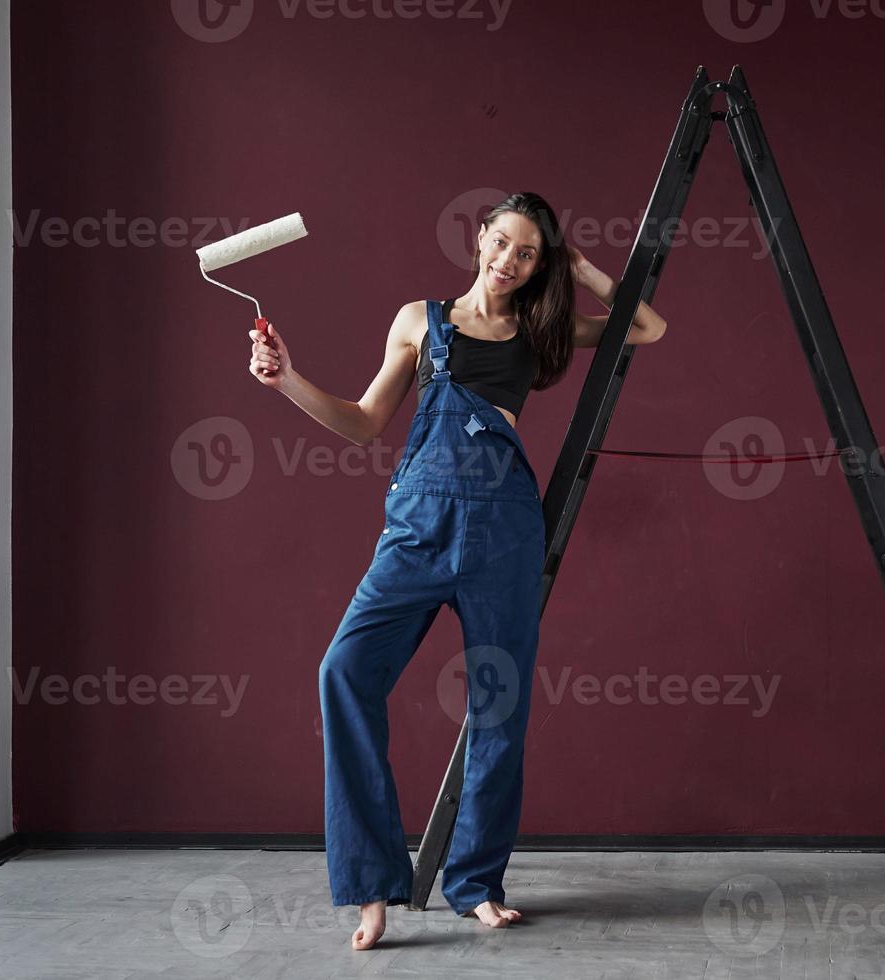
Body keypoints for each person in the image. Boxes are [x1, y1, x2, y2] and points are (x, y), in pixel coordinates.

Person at [246, 192, 668, 950]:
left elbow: (647, 326)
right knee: (343, 672)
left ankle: (474, 884)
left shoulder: (539, 329)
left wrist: (581, 267)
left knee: (497, 707)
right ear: (478, 240)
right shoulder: (419, 320)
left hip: (503, 527)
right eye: (501, 243)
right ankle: (374, 886)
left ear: (540, 264)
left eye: (527, 253)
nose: (508, 261)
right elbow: (366, 422)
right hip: (416, 528)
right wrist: (287, 381)